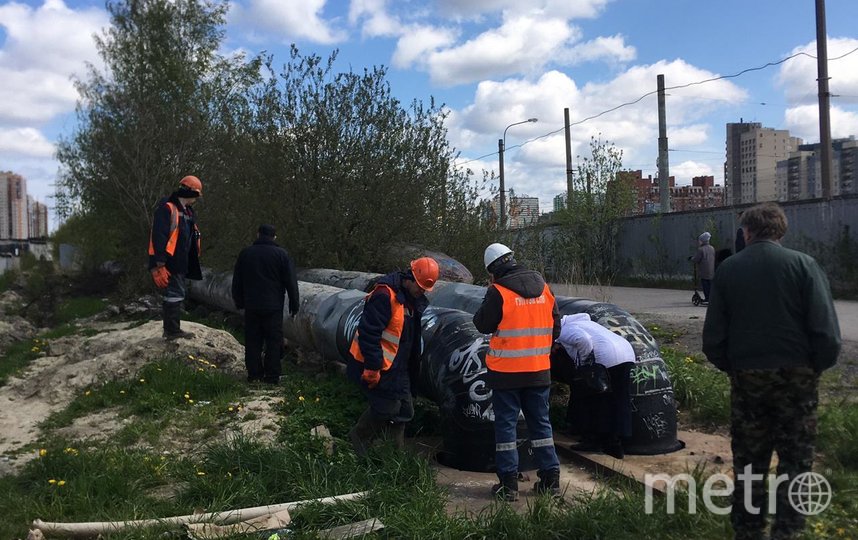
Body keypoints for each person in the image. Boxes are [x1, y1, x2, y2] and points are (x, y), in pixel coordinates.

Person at [702, 202, 841, 540]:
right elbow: (827, 335)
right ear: (781, 231)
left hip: (749, 381)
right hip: (798, 381)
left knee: (749, 463)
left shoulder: (729, 270)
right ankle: (788, 531)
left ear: (746, 233)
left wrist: (736, 369)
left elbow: (713, 339)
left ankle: (748, 532)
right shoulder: (804, 265)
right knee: (796, 462)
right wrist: (810, 370)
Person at [473, 243, 562, 501]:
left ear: (492, 271)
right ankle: (551, 480)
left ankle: (509, 485)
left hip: (506, 374)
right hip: (538, 371)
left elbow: (481, 324)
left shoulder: (498, 291)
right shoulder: (544, 287)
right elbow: (557, 325)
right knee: (541, 424)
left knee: (506, 428)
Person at [347, 257, 439, 456]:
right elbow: (369, 333)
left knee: (405, 411)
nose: (421, 292)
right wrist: (372, 368)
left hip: (400, 366)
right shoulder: (384, 295)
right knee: (386, 408)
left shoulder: (413, 301)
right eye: (420, 287)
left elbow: (410, 339)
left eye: (425, 289)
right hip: (379, 365)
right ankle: (359, 439)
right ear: (410, 277)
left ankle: (393, 456)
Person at [553, 313, 636, 459]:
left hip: (606, 358)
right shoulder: (586, 323)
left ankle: (593, 441)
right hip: (626, 354)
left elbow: (583, 340)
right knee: (619, 400)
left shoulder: (563, 330)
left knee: (596, 400)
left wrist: (585, 365)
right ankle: (615, 443)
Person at [231, 224, 300, 385]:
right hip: (273, 306)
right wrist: (294, 304)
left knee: (253, 340)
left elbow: (237, 280)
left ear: (258, 234)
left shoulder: (246, 254)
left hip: (252, 305)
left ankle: (254, 375)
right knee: (273, 341)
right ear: (274, 237)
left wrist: (239, 301)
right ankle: (272, 376)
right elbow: (291, 282)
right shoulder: (282, 255)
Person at [148, 175, 203, 340]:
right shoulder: (168, 208)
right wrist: (159, 264)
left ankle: (172, 329)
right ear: (191, 193)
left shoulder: (187, 212)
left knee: (177, 293)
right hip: (169, 261)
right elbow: (159, 236)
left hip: (181, 261)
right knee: (174, 294)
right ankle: (172, 331)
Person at [690, 231, 715, 303]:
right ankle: (711, 297)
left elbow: (697, 259)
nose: (699, 242)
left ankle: (707, 298)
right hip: (711, 270)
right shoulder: (712, 248)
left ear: (702, 241)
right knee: (710, 285)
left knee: (705, 285)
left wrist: (692, 258)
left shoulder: (701, 249)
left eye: (699, 240)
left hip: (704, 271)